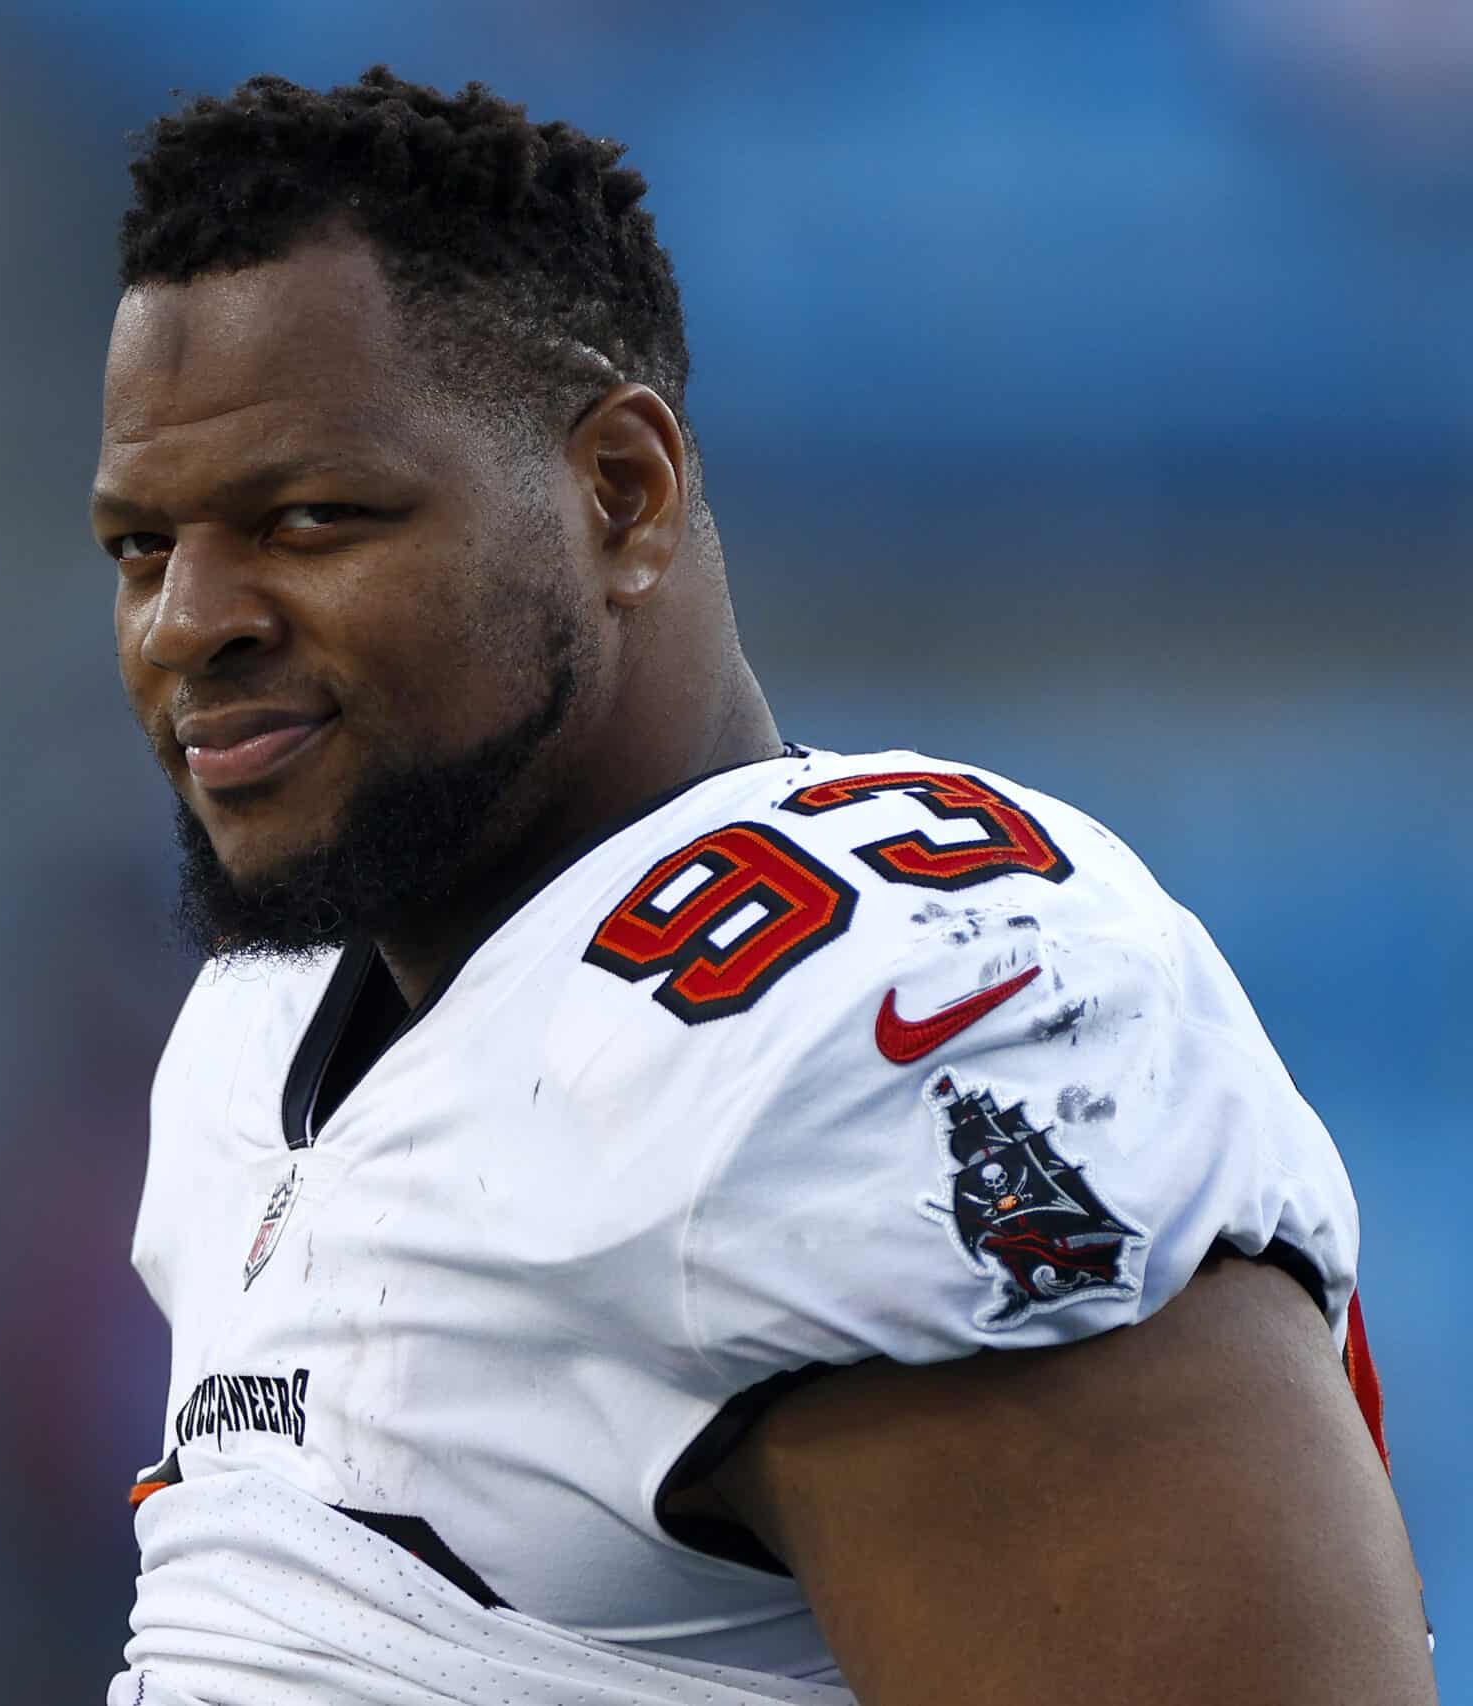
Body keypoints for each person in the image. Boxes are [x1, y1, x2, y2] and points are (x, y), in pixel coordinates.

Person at [90, 69, 1433, 1706]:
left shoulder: (886, 1028)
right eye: (142, 548)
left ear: (622, 495)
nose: (186, 621)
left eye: (308, 518)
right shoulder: (265, 1010)